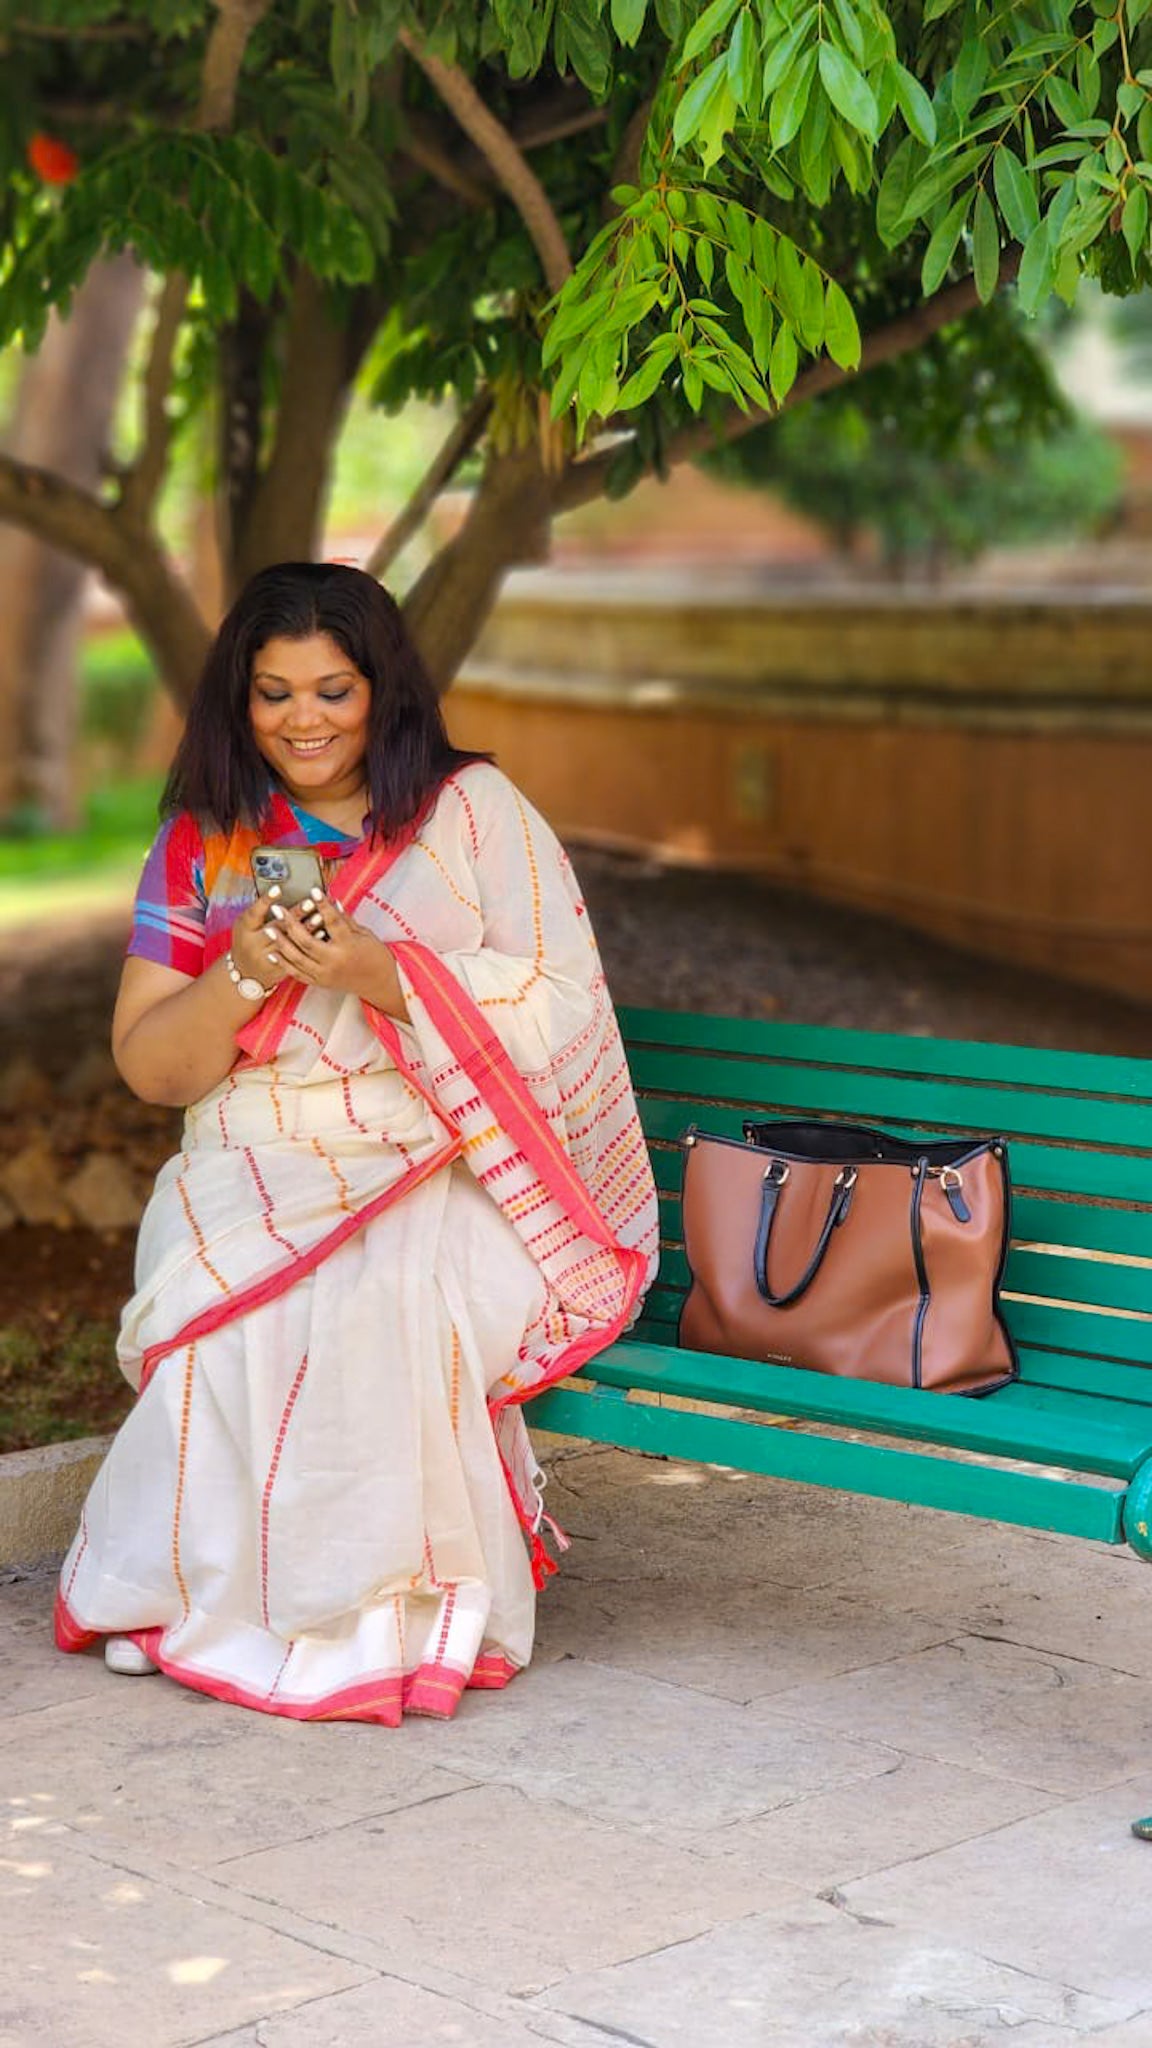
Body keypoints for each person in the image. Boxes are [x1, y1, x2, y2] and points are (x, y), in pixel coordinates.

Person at [55, 562, 659, 1724]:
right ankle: (203, 1602)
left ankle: (361, 1617)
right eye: (273, 693)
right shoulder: (207, 843)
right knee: (254, 1295)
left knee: (373, 1291)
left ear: (385, 690)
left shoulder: (470, 812)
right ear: (239, 701)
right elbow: (152, 1066)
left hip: (452, 1159)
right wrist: (247, 968)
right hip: (253, 1156)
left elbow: (563, 1000)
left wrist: (377, 970)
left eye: (333, 690)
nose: (304, 721)